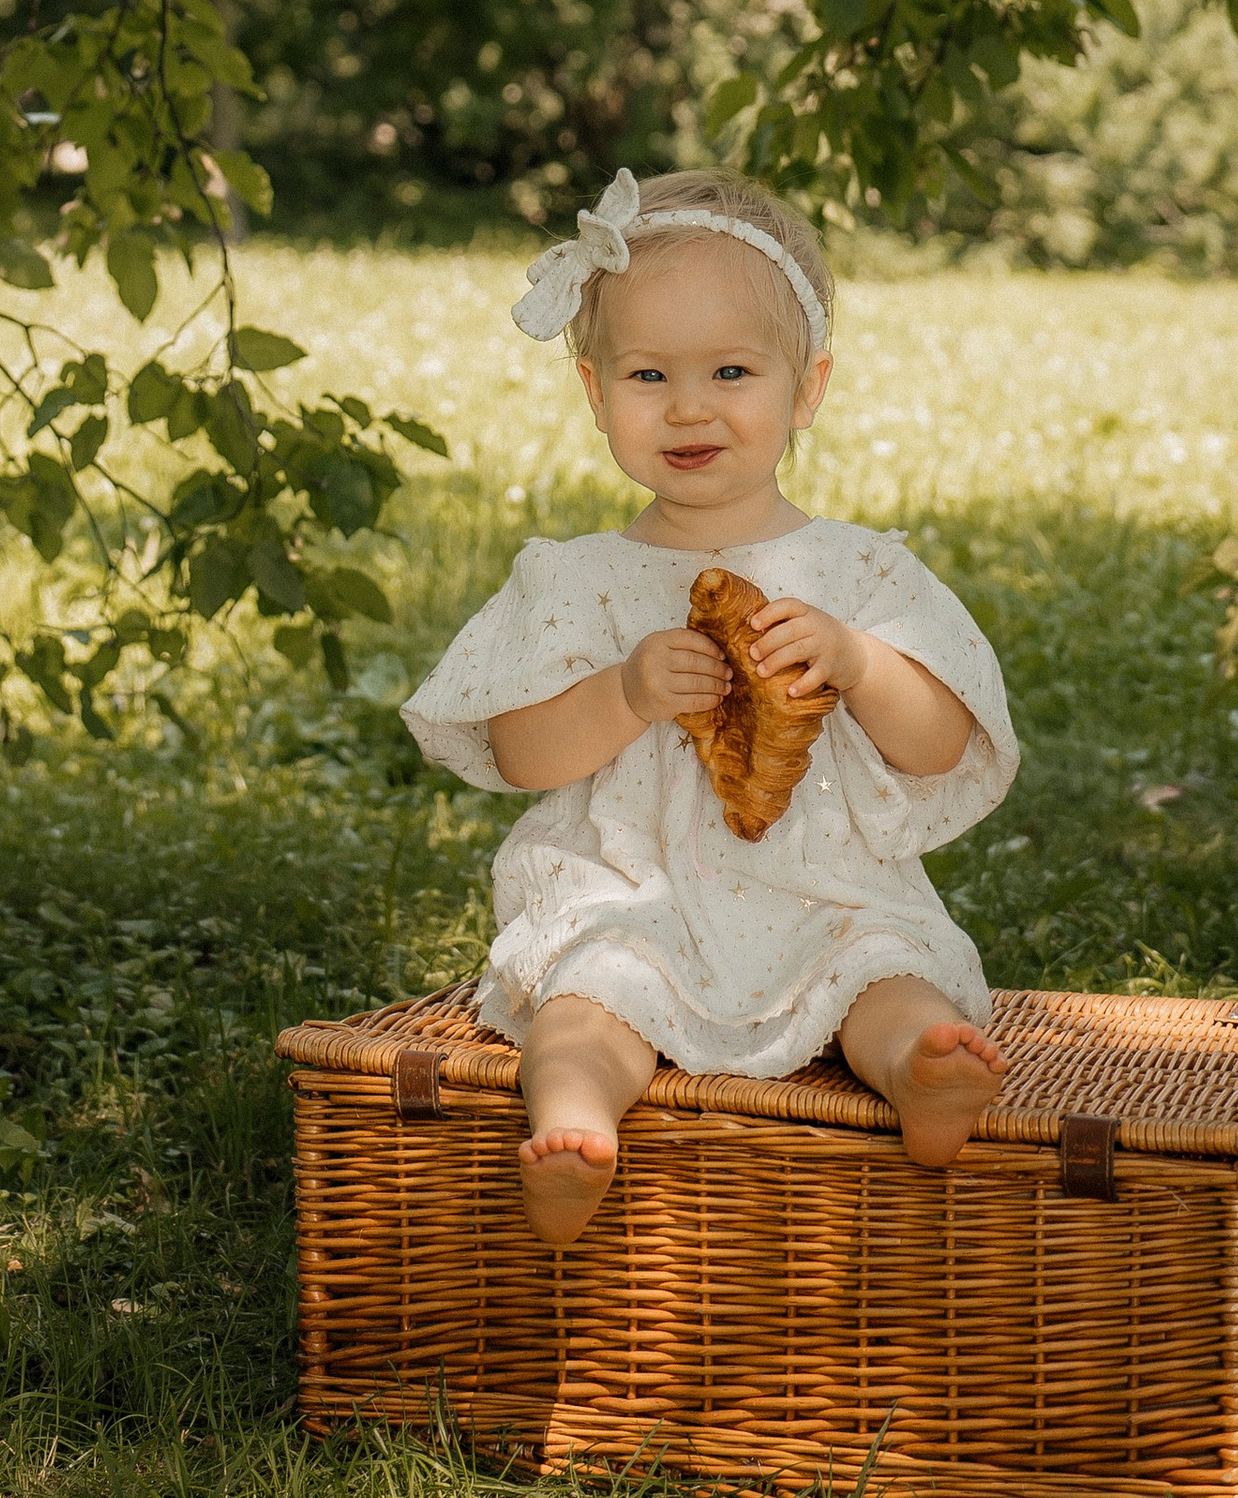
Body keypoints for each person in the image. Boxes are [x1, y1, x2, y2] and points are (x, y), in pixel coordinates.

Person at [402, 167, 1018, 1248]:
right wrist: (624, 690)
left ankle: (923, 1071)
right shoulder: (576, 580)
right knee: (587, 1004)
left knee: (884, 977)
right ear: (596, 395)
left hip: (828, 894)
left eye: (731, 370)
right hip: (632, 897)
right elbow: (522, 752)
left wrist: (862, 665)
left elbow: (940, 747)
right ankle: (576, 1124)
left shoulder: (859, 572)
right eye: (648, 374)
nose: (688, 406)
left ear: (806, 386)